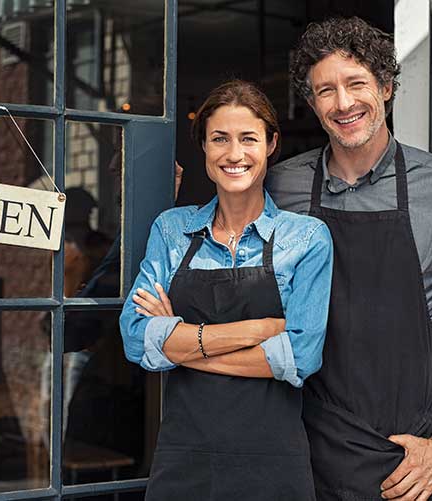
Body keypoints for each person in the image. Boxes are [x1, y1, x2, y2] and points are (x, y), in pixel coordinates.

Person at [264, 17, 432, 501]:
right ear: (311, 103)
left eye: (356, 83)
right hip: (296, 445)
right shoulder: (279, 186)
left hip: (403, 459)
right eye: (325, 90)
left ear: (386, 87)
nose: (343, 103)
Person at [119, 80, 333, 500]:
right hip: (185, 459)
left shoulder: (307, 239)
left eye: (248, 138)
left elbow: (301, 357)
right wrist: (261, 331)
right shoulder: (172, 230)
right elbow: (133, 338)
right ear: (204, 147)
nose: (234, 154)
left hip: (273, 464)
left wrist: (181, 343)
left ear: (271, 144)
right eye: (220, 139)